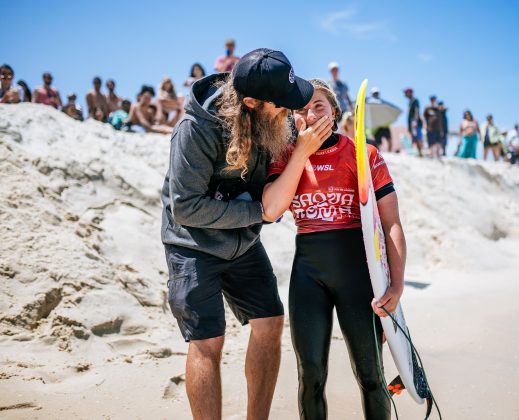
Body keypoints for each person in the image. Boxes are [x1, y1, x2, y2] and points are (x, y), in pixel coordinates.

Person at [161, 48, 314, 420]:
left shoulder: (274, 120)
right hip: (192, 243)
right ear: (250, 101)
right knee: (208, 342)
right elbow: (186, 207)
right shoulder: (196, 129)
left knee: (270, 322)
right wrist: (257, 212)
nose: (287, 113)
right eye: (281, 105)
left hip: (243, 242)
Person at [264, 78, 405, 420]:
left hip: (358, 276)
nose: (309, 114)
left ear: (336, 113)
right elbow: (270, 210)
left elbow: (391, 224)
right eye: (300, 109)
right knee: (310, 375)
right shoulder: (285, 158)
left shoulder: (364, 155)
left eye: (318, 106)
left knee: (371, 375)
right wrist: (302, 151)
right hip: (308, 276)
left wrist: (397, 287)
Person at [367, 87, 394, 152]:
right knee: (378, 143)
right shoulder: (369, 103)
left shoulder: (383, 103)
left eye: (377, 93)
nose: (376, 94)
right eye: (374, 93)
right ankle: (379, 154)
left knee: (389, 140)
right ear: (372, 94)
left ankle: (389, 153)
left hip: (385, 125)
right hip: (376, 127)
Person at [404, 87, 423, 156]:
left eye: (406, 93)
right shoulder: (410, 101)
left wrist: (415, 121)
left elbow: (416, 110)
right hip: (412, 123)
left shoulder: (415, 100)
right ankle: (419, 153)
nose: (405, 94)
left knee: (418, 137)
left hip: (415, 123)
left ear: (410, 93)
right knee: (415, 138)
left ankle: (420, 153)